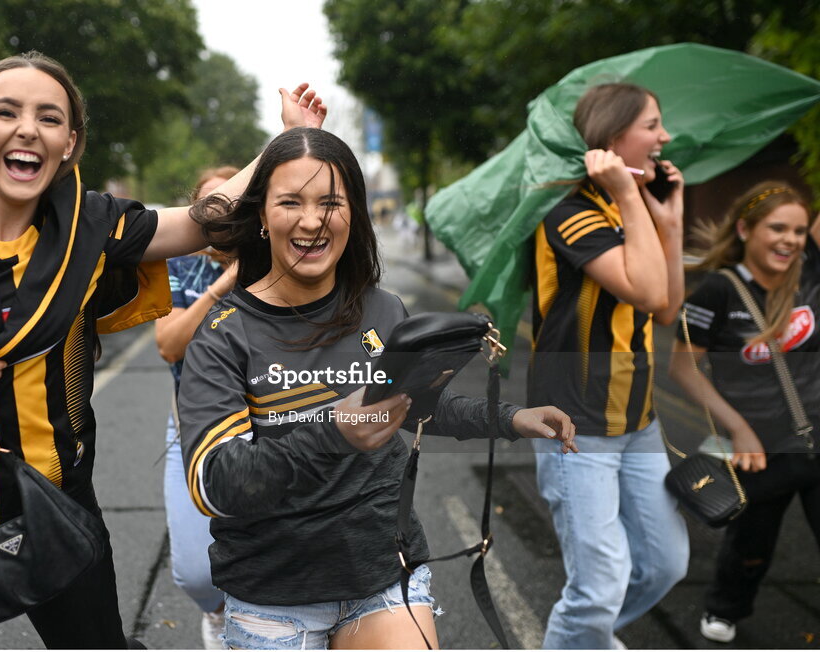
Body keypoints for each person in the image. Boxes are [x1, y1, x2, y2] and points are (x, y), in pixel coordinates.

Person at [0, 50, 326, 649]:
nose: (28, 127)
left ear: (69, 143)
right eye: (7, 111)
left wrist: (289, 138)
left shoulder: (96, 224)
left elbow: (202, 221)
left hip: (57, 509)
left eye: (49, 118)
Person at [178, 127, 578, 650]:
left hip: (384, 576)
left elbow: (415, 406)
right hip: (274, 594)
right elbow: (215, 484)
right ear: (260, 216)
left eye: (331, 202)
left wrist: (509, 418)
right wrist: (333, 431)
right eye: (290, 202)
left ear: (354, 214)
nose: (312, 220)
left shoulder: (383, 310)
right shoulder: (222, 333)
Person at [527, 82, 690, 649]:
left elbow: (667, 307)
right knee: (598, 587)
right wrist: (625, 192)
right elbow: (646, 290)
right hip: (576, 425)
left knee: (665, 565)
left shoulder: (633, 209)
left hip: (638, 421)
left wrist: (670, 219)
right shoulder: (570, 212)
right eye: (652, 124)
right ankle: (583, 634)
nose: (664, 137)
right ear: (614, 137)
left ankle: (586, 638)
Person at [669, 182, 820, 643]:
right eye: (776, 228)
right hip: (759, 450)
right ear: (744, 229)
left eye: (797, 230)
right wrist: (740, 429)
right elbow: (682, 369)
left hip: (816, 439)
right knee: (751, 544)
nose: (790, 240)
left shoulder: (809, 269)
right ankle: (724, 608)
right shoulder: (716, 291)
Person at [155, 165, 240, 648]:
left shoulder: (273, 262)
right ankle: (217, 613)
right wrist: (224, 284)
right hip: (193, 427)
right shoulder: (180, 265)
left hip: (265, 423)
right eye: (212, 206)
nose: (224, 216)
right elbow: (169, 344)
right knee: (195, 573)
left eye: (236, 205)